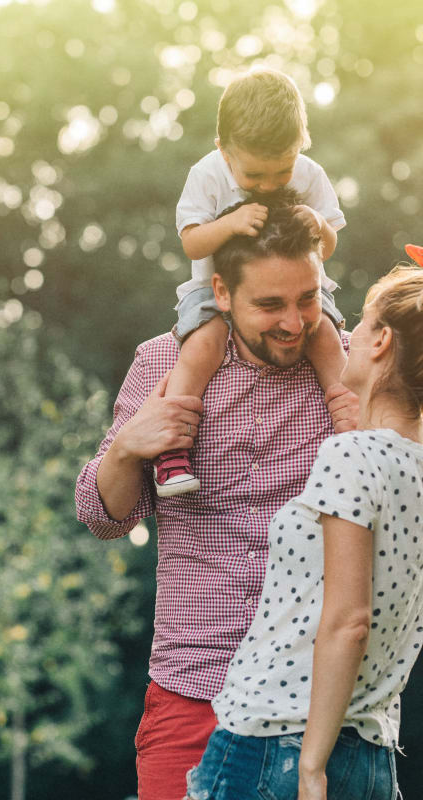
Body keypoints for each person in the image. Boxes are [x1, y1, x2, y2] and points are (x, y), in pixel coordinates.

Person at [184, 239, 423, 800]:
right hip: (371, 759)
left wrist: (311, 767)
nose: (349, 337)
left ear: (383, 341)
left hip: (278, 748)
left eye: (361, 325)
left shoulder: (353, 455)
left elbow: (349, 621)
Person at [74, 201, 363, 800]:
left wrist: (376, 434)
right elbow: (102, 517)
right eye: (269, 305)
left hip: (315, 700)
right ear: (221, 293)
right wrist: (128, 450)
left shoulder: (353, 366)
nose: (293, 322)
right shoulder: (162, 362)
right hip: (193, 688)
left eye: (307, 299)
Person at [153, 67, 348, 497]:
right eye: (254, 177)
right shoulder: (207, 175)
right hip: (212, 291)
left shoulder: (310, 174)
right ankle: (171, 452)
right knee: (201, 347)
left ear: (301, 146)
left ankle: (352, 427)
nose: (267, 186)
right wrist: (232, 223)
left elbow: (329, 246)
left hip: (299, 285)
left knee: (328, 340)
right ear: (224, 150)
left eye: (281, 174)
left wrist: (317, 223)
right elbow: (192, 244)